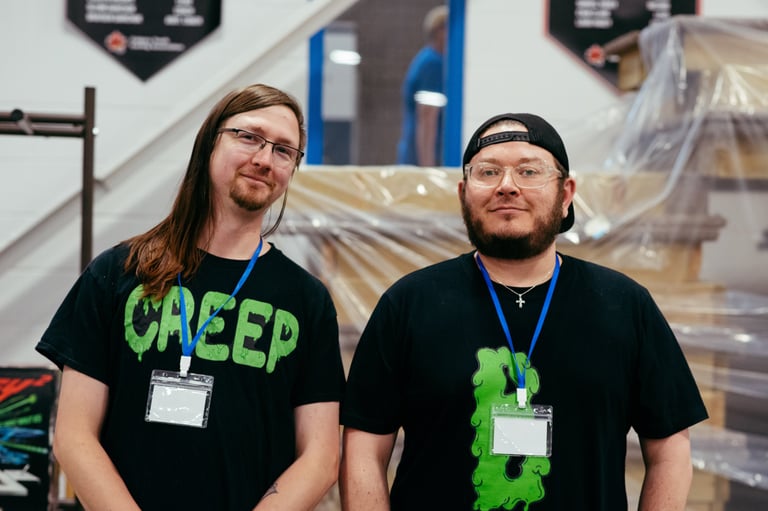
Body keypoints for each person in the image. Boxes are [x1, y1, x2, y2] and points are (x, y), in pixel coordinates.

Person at [340, 113, 709, 510]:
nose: (507, 186)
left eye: (529, 171)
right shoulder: (409, 304)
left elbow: (670, 451)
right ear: (464, 192)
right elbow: (363, 450)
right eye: (489, 172)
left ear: (566, 193)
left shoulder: (625, 305)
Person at [36, 83, 345, 511]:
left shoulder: (306, 300)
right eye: (249, 137)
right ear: (209, 142)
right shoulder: (117, 273)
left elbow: (321, 458)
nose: (263, 159)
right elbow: (73, 436)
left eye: (284, 150)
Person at [395, 5, 448, 166]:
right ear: (439, 31)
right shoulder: (433, 63)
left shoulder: (429, 60)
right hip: (420, 158)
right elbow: (427, 117)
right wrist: (428, 170)